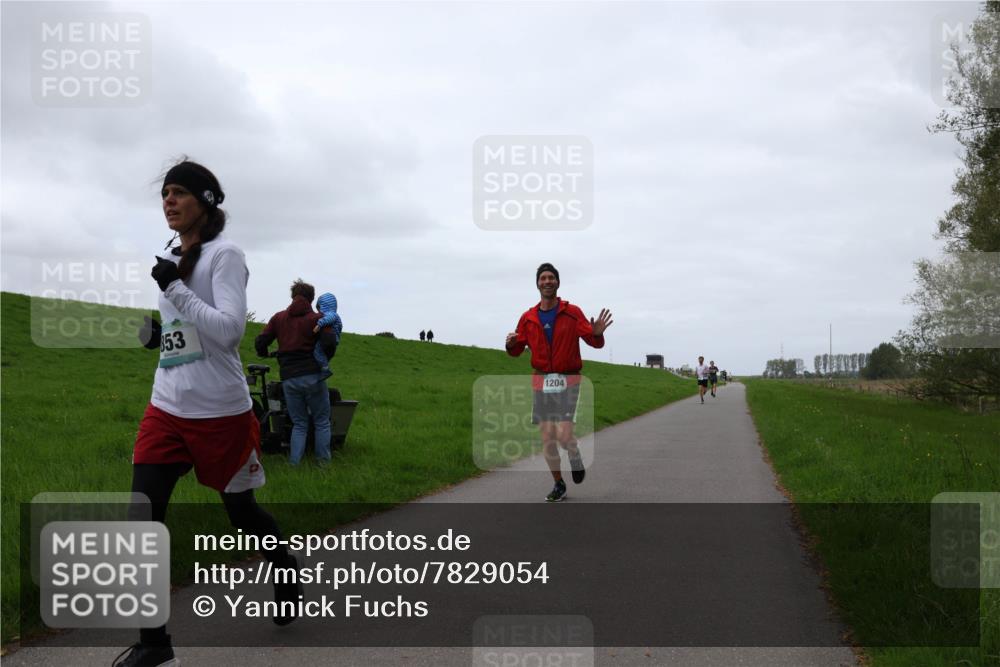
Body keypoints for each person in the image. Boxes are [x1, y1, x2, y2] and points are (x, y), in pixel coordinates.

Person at [121, 160, 301, 667]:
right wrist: (161, 335)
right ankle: (155, 645)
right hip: (167, 407)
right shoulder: (171, 256)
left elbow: (228, 332)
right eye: (165, 194)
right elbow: (189, 331)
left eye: (179, 192)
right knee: (141, 518)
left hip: (220, 414)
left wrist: (174, 289)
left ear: (205, 201)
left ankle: (284, 565)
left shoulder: (225, 255)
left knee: (242, 514)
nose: (168, 201)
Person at [506, 263, 613, 502]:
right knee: (547, 438)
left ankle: (573, 452)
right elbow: (517, 348)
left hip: (568, 380)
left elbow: (594, 342)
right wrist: (510, 345)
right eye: (543, 278)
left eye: (551, 277)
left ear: (557, 282)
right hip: (541, 382)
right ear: (537, 284)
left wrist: (597, 333)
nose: (547, 281)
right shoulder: (528, 318)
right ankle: (558, 484)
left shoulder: (572, 312)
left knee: (564, 437)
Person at [255, 280, 337, 465]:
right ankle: (323, 464)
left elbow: (260, 342)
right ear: (311, 299)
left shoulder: (278, 318)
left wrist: (265, 353)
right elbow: (330, 342)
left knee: (299, 423)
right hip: (313, 377)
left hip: (289, 379)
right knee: (322, 421)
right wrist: (324, 359)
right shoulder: (318, 318)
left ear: (292, 296)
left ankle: (294, 463)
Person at [311, 291, 343, 380]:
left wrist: (319, 324)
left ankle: (325, 369)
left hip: (329, 338)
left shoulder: (331, 314)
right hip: (333, 339)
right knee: (323, 354)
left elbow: (328, 319)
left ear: (323, 305)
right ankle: (323, 368)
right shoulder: (334, 314)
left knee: (317, 351)